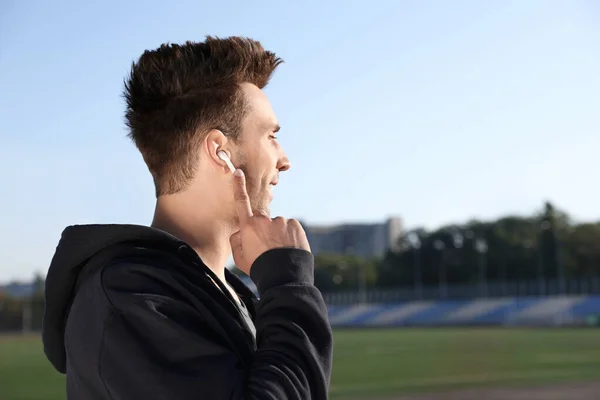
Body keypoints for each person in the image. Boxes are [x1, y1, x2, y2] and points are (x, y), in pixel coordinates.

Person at [42, 36, 333, 399]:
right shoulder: (131, 299)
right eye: (271, 135)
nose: (285, 159)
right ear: (219, 152)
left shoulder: (223, 292)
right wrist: (289, 286)